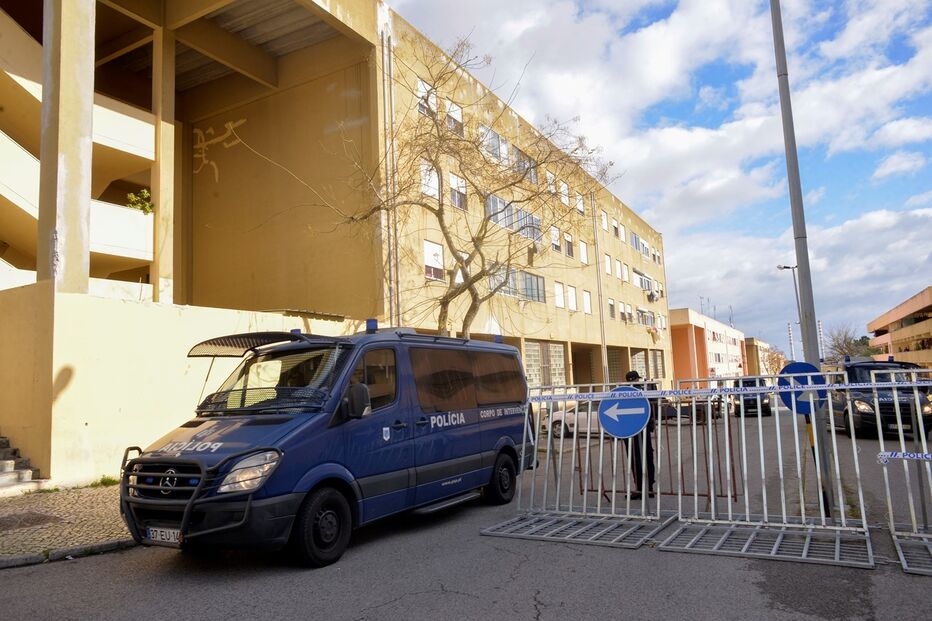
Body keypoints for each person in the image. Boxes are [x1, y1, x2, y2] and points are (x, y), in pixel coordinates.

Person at [624, 370, 656, 499]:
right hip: (643, 429)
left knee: (635, 459)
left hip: (631, 430)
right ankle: (649, 488)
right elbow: (652, 408)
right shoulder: (644, 390)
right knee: (647, 457)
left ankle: (640, 489)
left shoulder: (624, 392)